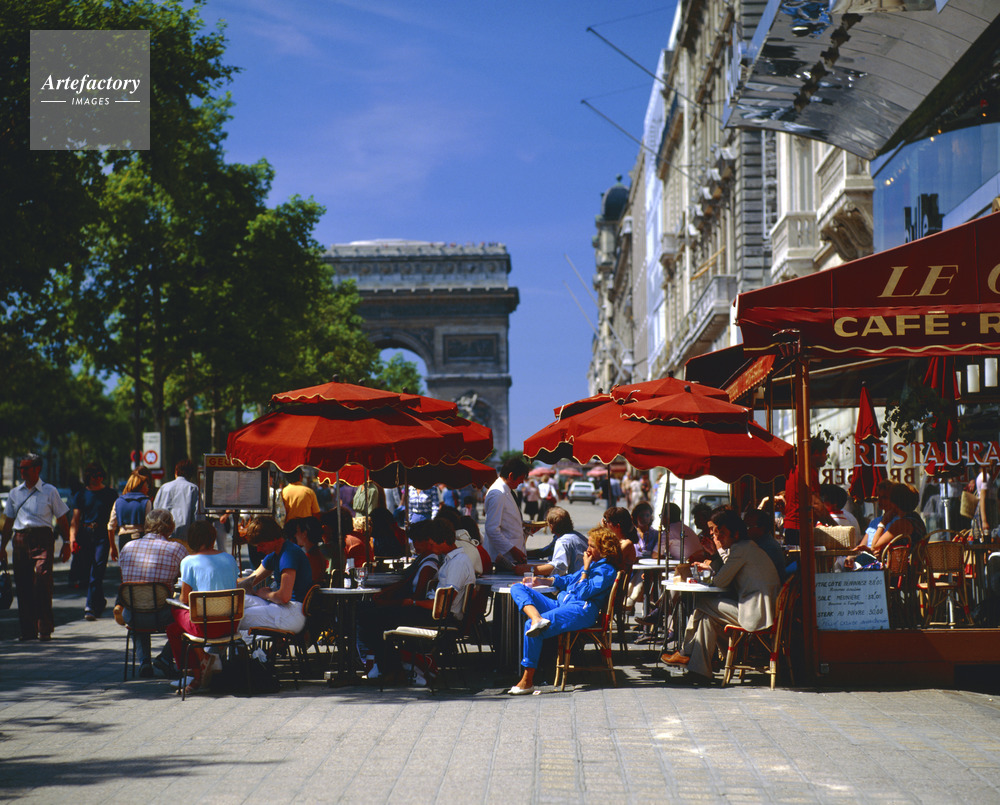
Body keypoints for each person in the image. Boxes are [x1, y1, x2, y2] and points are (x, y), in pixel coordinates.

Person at [661, 508, 780, 683]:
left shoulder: (741, 550)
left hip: (757, 614)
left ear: (736, 534)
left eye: (722, 533)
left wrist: (718, 551)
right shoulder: (746, 547)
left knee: (704, 602)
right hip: (760, 610)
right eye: (717, 533)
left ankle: (686, 652)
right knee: (707, 619)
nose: (718, 537)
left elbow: (720, 582)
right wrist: (718, 553)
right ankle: (699, 670)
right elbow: (727, 573)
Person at [507, 525, 622, 694]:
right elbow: (569, 579)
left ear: (603, 549)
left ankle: (527, 680)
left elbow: (584, 592)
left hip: (581, 610)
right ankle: (537, 618)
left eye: (591, 546)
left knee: (530, 627)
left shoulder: (605, 570)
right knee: (518, 588)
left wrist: (586, 569)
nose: (587, 550)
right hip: (564, 603)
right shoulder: (595, 565)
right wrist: (544, 581)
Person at [1, 453, 71, 642]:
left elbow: (62, 519)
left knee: (42, 580)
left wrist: (66, 543)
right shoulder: (15, 493)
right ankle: (27, 631)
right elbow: (8, 522)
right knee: (23, 584)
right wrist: (2, 547)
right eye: (20, 468)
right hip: (21, 539)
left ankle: (44, 628)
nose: (22, 472)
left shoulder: (50, 491)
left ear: (37, 469)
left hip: (43, 538)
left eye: (25, 468)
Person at [164, 520, 240, 695]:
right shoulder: (229, 558)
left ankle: (199, 668)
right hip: (230, 624)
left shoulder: (189, 562)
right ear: (213, 537)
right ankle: (202, 669)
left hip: (204, 627)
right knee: (174, 630)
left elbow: (184, 599)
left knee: (175, 609)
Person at [118, 509, 188, 676]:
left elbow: (125, 580)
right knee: (187, 615)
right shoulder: (177, 549)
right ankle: (164, 658)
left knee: (140, 603)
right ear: (170, 527)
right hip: (162, 615)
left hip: (132, 614)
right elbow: (187, 578)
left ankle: (144, 662)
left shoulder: (127, 547)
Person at [238, 515, 313, 634]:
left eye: (261, 545)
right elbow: (250, 581)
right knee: (235, 604)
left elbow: (284, 597)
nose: (258, 550)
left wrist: (267, 594)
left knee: (236, 617)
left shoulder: (289, 554)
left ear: (273, 539)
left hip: (292, 612)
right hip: (282, 607)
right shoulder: (275, 555)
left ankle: (232, 651)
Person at [69, 462, 119, 621]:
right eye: (93, 477)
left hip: (102, 535)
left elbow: (115, 517)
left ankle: (90, 606)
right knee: (89, 571)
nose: (97, 479)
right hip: (85, 534)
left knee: (97, 570)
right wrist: (72, 539)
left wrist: (113, 542)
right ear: (88, 478)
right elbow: (75, 520)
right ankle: (100, 600)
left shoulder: (110, 494)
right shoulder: (81, 495)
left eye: (99, 476)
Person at [783, 436, 835, 546]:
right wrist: (835, 526)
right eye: (825, 453)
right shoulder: (807, 472)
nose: (826, 458)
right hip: (800, 528)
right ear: (816, 453)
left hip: (794, 528)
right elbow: (816, 505)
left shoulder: (797, 470)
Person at [483, 456, 530, 572]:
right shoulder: (498, 493)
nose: (522, 482)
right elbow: (492, 529)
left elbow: (507, 522)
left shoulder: (506, 491)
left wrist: (525, 529)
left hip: (511, 557)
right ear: (510, 476)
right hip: (504, 559)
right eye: (520, 478)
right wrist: (512, 550)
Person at [153, 458, 205, 542]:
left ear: (176, 472)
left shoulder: (164, 487)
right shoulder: (193, 488)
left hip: (164, 535)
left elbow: (155, 511)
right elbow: (198, 515)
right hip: (185, 537)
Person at [529, 507, 589, 577]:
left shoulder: (563, 541)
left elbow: (558, 568)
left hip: (575, 581)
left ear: (551, 526)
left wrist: (530, 569)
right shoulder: (579, 536)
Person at [107, 470, 154, 558]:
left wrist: (112, 546)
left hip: (123, 539)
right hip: (141, 538)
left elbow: (110, 527)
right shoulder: (146, 501)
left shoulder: (118, 501)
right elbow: (149, 526)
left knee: (124, 568)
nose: (148, 488)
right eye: (146, 486)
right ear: (139, 486)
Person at [744, 509, 789, 582]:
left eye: (748, 527)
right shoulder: (756, 544)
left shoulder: (767, 548)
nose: (745, 531)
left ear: (761, 528)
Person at [287, 517, 327, 586]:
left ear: (304, 534)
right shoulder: (318, 554)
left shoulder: (308, 558)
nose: (295, 535)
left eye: (297, 531)